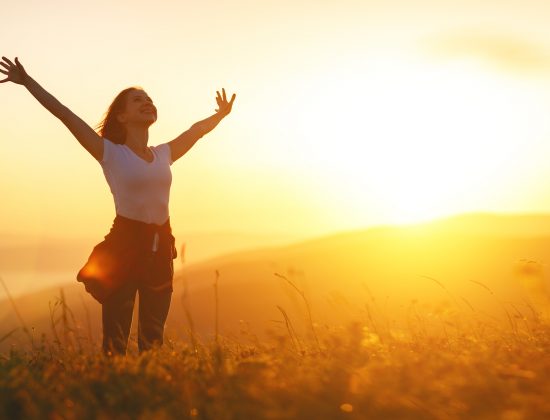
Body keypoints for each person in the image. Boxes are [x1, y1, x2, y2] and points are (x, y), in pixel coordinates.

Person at [0, 56, 236, 355]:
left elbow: (195, 131)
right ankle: (111, 393)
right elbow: (64, 114)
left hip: (161, 247)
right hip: (124, 246)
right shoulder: (109, 152)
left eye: (149, 99)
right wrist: (28, 82)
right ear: (122, 117)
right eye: (138, 100)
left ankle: (147, 394)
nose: (147, 102)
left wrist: (221, 115)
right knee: (116, 339)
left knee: (153, 338)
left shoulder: (164, 154)